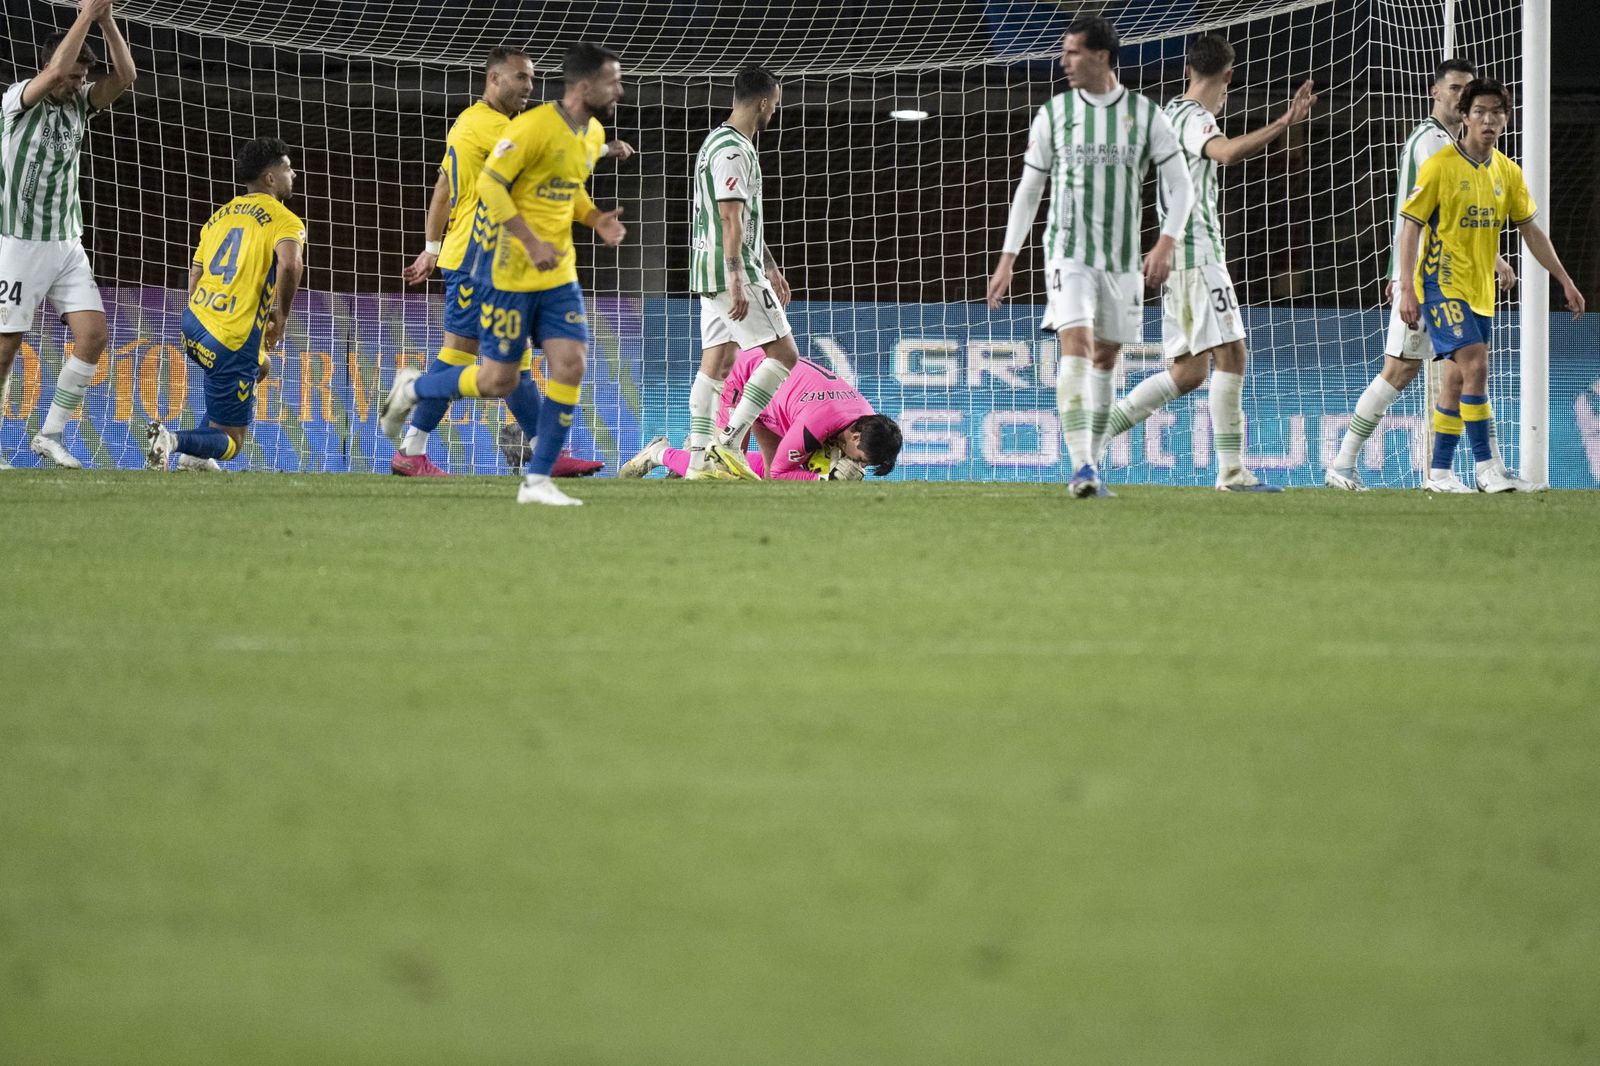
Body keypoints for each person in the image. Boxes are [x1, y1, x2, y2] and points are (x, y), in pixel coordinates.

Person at [381, 43, 627, 505]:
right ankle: (413, 439)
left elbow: (443, 190)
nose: (529, 87)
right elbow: (539, 153)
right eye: (520, 78)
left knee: (514, 365)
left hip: (474, 253)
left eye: (533, 79)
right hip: (485, 256)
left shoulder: (476, 125)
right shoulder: (493, 125)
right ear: (493, 79)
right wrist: (598, 146)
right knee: (474, 362)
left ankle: (540, 455)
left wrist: (432, 248)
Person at [986, 15, 1194, 498]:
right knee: (1075, 343)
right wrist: (1008, 256)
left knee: (1106, 356)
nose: (1063, 62)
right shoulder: (1054, 114)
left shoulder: (1145, 115)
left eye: (1073, 52)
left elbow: (1181, 185)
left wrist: (1167, 240)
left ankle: (1091, 466)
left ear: (1101, 56)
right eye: (1064, 52)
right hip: (1067, 253)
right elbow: (1029, 188)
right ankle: (1081, 465)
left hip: (1122, 260)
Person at [1095, 34, 1315, 491]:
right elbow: (1227, 152)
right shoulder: (1195, 119)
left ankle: (1090, 441)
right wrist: (1286, 120)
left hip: (1184, 258)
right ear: (1229, 75)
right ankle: (1232, 472)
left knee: (1188, 373)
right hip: (1198, 257)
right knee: (1233, 354)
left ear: (1186, 70)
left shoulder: (1170, 110)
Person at [1326, 58, 1519, 491]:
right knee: (1400, 371)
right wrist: (1408, 281)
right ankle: (1343, 462)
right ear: (1435, 93)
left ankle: (1446, 473)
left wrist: (1492, 260)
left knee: (1459, 371)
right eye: (1453, 88)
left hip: (1449, 280)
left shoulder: (1453, 143)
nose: (1460, 96)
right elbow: (1444, 216)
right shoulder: (1433, 143)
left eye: (1466, 89)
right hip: (1423, 279)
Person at [1395, 77, 1585, 492]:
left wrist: (1564, 280)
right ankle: (1487, 470)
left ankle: (1440, 473)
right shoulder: (1440, 166)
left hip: (1480, 290)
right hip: (1441, 283)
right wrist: (1408, 287)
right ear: (1463, 117)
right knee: (1477, 365)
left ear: (1505, 119)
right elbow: (1410, 227)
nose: (1488, 120)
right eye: (1479, 112)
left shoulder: (1507, 171)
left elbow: (1531, 231)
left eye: (1496, 113)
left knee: (1457, 380)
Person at [0, 0, 136, 469]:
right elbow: (58, 65)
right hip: (18, 244)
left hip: (66, 244)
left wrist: (105, 18)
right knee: (5, 347)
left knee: (93, 335)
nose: (77, 84)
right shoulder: (17, 101)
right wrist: (84, 13)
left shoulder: (79, 103)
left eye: (82, 78)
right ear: (48, 69)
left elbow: (126, 77)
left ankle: (50, 434)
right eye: (72, 76)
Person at [145, 138, 305, 470]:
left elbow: (195, 277)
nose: (294, 174)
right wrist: (282, 314)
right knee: (232, 442)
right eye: (288, 168)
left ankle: (194, 458)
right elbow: (289, 265)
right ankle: (172, 441)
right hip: (231, 339)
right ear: (270, 178)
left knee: (261, 367)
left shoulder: (218, 217)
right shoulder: (284, 219)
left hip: (193, 324)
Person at [683, 64, 799, 481]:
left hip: (708, 268)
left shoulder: (717, 142)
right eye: (776, 105)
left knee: (717, 363)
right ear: (764, 102)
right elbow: (730, 217)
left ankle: (698, 462)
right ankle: (729, 442)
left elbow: (741, 218)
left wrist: (769, 262)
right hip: (730, 269)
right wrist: (739, 276)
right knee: (785, 354)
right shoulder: (733, 150)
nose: (775, 113)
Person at [621, 350, 901, 480]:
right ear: (854, 435)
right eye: (860, 459)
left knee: (763, 479)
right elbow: (782, 473)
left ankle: (699, 449)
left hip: (776, 401)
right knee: (723, 471)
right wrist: (824, 480)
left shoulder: (864, 417)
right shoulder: (819, 422)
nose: (856, 465)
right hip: (744, 382)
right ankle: (659, 453)